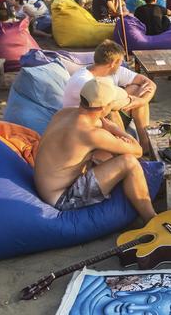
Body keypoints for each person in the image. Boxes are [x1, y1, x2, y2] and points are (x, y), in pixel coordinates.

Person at [34, 78, 156, 222]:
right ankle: (151, 219)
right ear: (104, 108)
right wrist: (117, 130)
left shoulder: (65, 113)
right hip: (62, 198)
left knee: (104, 153)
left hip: (46, 186)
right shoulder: (91, 134)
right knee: (128, 162)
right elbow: (137, 150)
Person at [61, 40, 157, 154]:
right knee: (111, 110)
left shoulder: (114, 71)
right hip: (86, 123)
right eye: (120, 62)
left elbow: (149, 83)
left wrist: (142, 100)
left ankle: (146, 146)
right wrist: (131, 99)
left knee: (137, 90)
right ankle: (126, 151)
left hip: (101, 112)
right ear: (113, 63)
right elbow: (109, 104)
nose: (121, 64)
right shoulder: (85, 81)